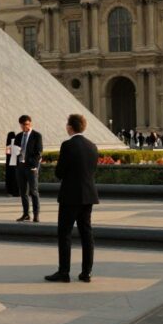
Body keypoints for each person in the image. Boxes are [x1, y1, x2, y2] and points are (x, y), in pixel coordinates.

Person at [46, 114, 99, 283]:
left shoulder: (67, 145)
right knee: (86, 234)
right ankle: (86, 272)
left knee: (65, 234)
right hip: (88, 195)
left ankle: (64, 272)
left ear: (70, 127)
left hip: (70, 196)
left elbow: (59, 172)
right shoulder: (92, 146)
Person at [14, 115, 43, 222]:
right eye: (22, 125)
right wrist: (12, 152)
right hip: (20, 167)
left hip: (31, 168)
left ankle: (36, 215)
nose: (24, 127)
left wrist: (34, 165)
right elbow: (15, 151)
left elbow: (39, 152)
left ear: (30, 123)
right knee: (23, 192)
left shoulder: (37, 136)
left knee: (34, 192)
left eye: (26, 124)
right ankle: (26, 214)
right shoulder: (18, 136)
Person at [5, 131, 19, 197]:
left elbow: (7, 154)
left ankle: (10, 191)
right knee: (16, 178)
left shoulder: (8, 144)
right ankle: (16, 192)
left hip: (9, 164)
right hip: (15, 162)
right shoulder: (16, 142)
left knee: (10, 178)